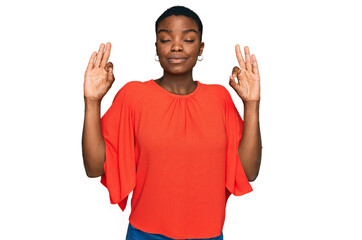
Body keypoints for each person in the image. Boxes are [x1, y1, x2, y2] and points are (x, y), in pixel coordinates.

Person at [82, 5, 262, 240]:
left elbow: (248, 172)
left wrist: (252, 105)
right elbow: (94, 168)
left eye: (188, 39)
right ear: (156, 46)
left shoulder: (220, 98)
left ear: (201, 48)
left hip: (208, 235)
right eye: (166, 39)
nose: (176, 45)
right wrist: (92, 101)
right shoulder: (133, 96)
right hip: (145, 235)